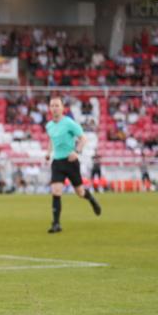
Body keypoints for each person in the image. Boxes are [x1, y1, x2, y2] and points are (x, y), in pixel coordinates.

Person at [45, 96, 101, 233]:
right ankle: (56, 224)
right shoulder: (49, 125)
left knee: (80, 192)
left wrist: (77, 151)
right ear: (49, 108)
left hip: (71, 162)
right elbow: (51, 140)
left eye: (57, 105)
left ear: (62, 108)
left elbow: (83, 138)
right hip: (57, 162)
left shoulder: (69, 123)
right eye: (52, 105)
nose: (54, 108)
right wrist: (48, 153)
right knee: (56, 190)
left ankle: (92, 199)